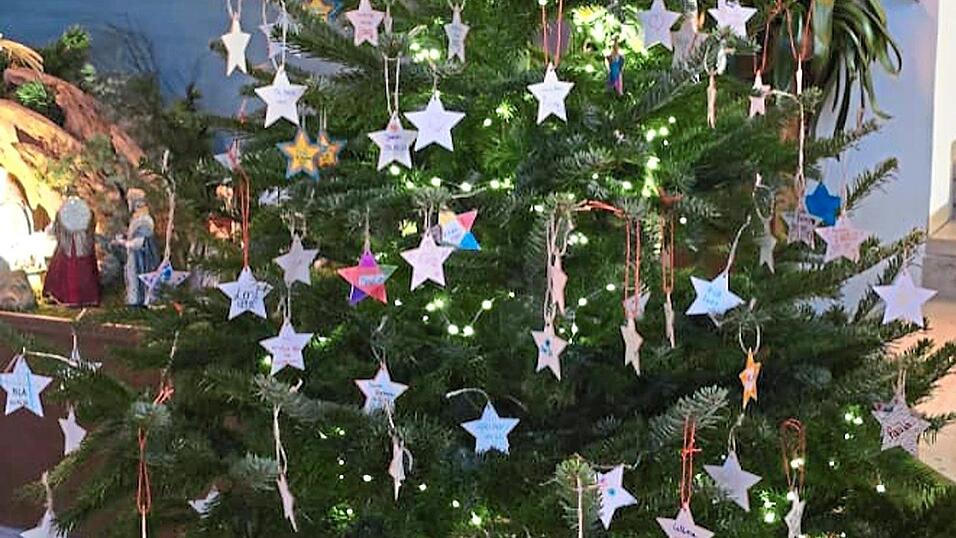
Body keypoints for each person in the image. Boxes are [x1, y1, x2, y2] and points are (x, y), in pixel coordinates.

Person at [43, 195, 101, 306]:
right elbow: (91, 230)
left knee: (67, 272)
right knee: (85, 272)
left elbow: (56, 230)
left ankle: (68, 298)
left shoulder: (61, 213)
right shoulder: (88, 212)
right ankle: (87, 298)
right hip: (83, 248)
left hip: (67, 248)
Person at [112, 188, 159, 306]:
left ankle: (141, 300)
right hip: (134, 255)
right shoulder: (137, 217)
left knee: (138, 278)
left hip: (142, 257)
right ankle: (134, 300)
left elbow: (139, 242)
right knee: (131, 277)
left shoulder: (144, 220)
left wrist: (124, 243)